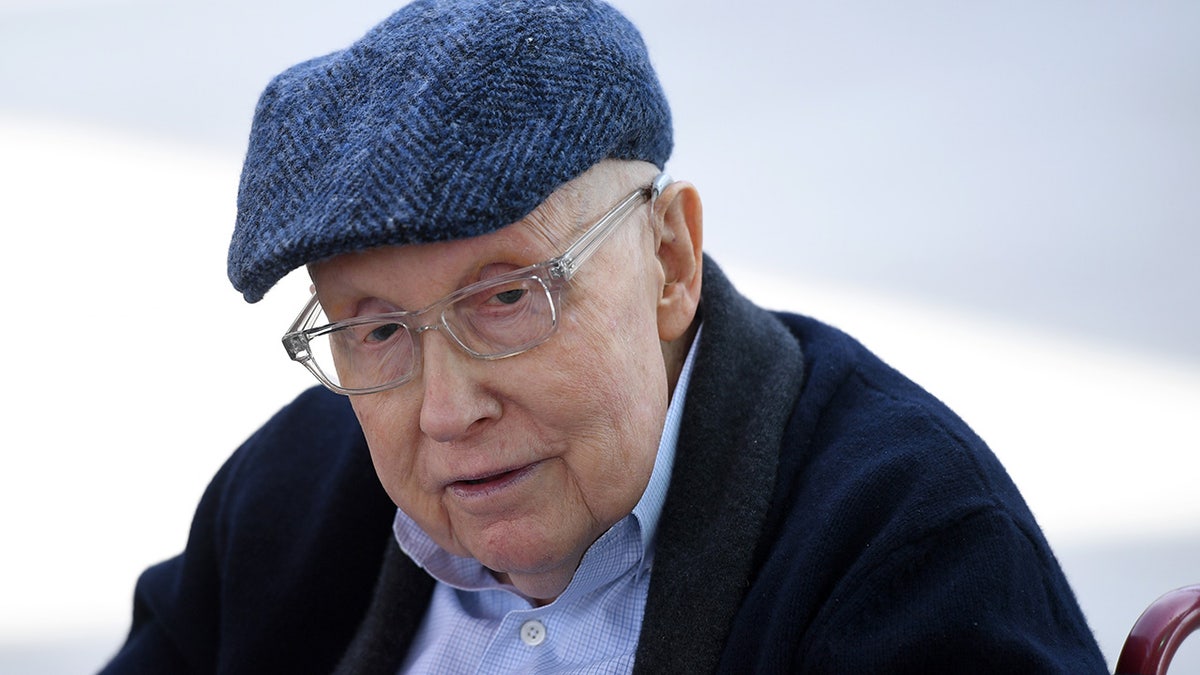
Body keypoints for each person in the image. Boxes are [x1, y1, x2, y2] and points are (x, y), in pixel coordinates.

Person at [101, 1, 1109, 672]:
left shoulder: (906, 545)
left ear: (671, 260)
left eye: (506, 299)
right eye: (376, 332)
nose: (448, 411)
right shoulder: (285, 499)